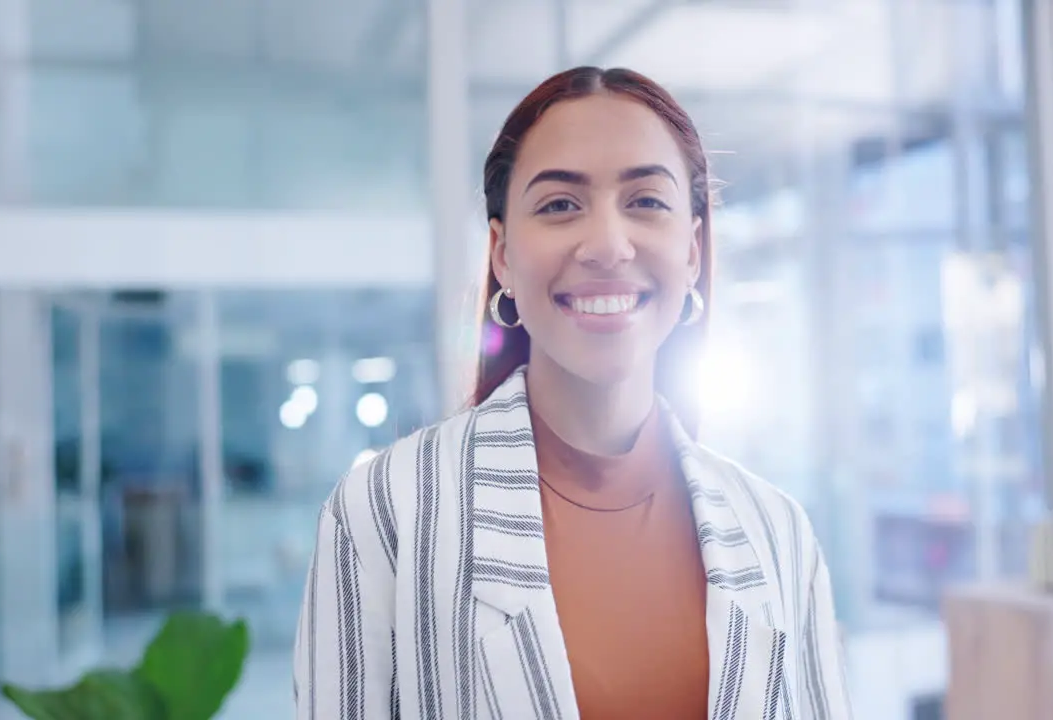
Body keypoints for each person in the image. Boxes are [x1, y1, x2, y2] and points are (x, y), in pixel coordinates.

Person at [293, 66, 853, 720]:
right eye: (560, 205)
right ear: (502, 254)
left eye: (645, 200)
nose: (608, 246)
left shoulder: (777, 530)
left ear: (694, 248)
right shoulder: (384, 511)